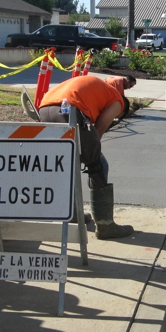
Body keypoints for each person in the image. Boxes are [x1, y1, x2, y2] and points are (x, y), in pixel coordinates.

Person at [38, 75, 133, 239]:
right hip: (69, 112)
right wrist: (91, 152)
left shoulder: (100, 89)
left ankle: (73, 213)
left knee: (68, 163)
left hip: (44, 110)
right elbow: (99, 129)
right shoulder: (118, 101)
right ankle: (105, 226)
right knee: (98, 165)